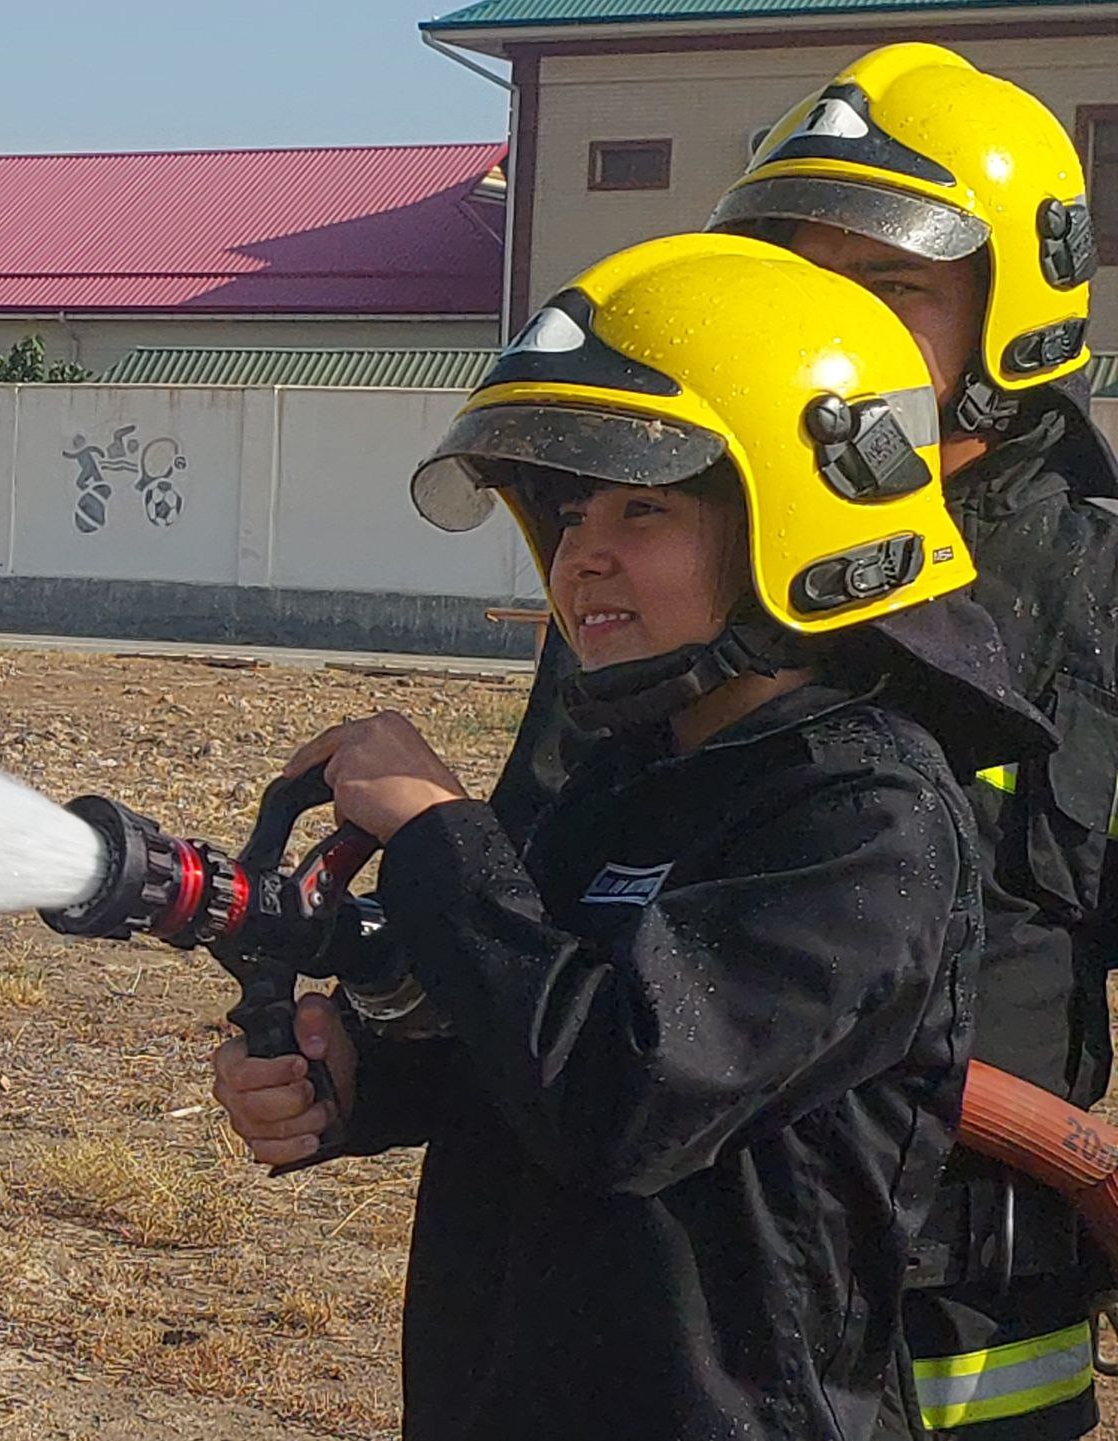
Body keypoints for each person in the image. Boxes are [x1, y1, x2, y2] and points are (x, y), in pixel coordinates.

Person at [214, 232, 1048, 1439]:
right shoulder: (620, 781)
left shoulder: (864, 820)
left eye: (644, 507)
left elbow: (622, 1095)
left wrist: (444, 832)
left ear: (802, 517)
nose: (582, 552)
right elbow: (525, 1042)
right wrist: (359, 1078)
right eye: (567, 510)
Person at [500, 44, 1118, 1436]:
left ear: (1017, 311)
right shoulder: (668, 577)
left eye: (893, 286)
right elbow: (541, 904)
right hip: (698, 1292)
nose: (833, 320)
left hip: (972, 1322)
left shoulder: (1094, 590)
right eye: (800, 276)